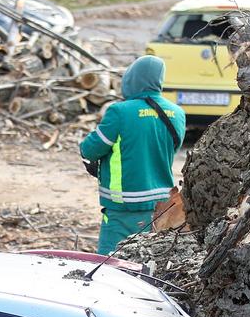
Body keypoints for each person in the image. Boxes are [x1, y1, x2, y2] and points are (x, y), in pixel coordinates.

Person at [78, 54, 186, 255]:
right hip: (162, 208)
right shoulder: (177, 113)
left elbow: (89, 149)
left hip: (123, 208)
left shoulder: (120, 112)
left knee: (110, 264)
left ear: (132, 79)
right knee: (149, 262)